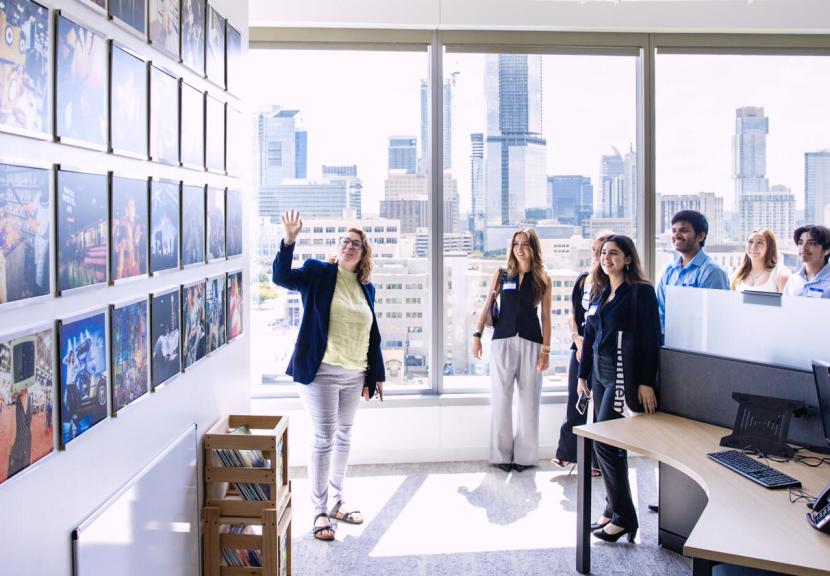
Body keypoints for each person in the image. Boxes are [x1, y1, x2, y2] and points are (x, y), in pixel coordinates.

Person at [272, 210, 385, 542]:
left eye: (356, 244)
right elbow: (281, 278)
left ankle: (337, 501)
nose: (349, 246)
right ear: (338, 248)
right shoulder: (319, 273)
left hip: (354, 373)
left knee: (345, 437)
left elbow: (371, 335)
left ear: (364, 254)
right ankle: (319, 510)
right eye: (345, 242)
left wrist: (374, 375)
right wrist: (290, 239)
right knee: (324, 439)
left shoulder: (367, 288)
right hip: (320, 371)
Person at [577, 235, 660, 543]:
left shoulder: (641, 293)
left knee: (605, 444)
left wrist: (646, 381)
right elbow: (590, 334)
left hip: (622, 375)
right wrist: (582, 375)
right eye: (602, 253)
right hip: (599, 372)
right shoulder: (600, 291)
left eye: (613, 253)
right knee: (611, 444)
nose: (606, 258)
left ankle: (624, 517)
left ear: (628, 258)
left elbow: (651, 337)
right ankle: (613, 510)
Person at [472, 228, 551, 473]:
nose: (520, 248)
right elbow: (487, 306)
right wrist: (477, 335)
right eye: (516, 244)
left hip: (531, 342)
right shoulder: (502, 274)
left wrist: (546, 350)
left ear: (533, 248)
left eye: (525, 244)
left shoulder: (543, 279)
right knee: (501, 398)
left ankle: (525, 458)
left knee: (529, 401)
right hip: (502, 341)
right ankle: (501, 456)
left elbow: (546, 317)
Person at [552, 232, 611, 476]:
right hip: (580, 348)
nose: (597, 256)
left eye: (603, 251)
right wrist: (576, 339)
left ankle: (597, 462)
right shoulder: (583, 280)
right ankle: (568, 454)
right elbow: (573, 313)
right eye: (595, 250)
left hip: (600, 350)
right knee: (575, 400)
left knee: (600, 409)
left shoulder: (612, 283)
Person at [656, 210, 729, 335]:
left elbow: (713, 319)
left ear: (701, 236)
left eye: (683, 231)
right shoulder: (669, 271)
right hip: (668, 344)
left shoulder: (712, 272)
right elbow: (660, 311)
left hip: (698, 348)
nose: (677, 235)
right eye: (674, 230)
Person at [731, 229, 790, 293]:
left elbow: (788, 302)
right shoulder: (738, 274)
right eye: (750, 241)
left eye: (760, 242)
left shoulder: (781, 274)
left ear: (770, 247)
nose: (754, 246)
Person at [783, 224, 830, 299]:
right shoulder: (793, 280)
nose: (804, 247)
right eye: (801, 243)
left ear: (826, 250)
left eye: (812, 243)